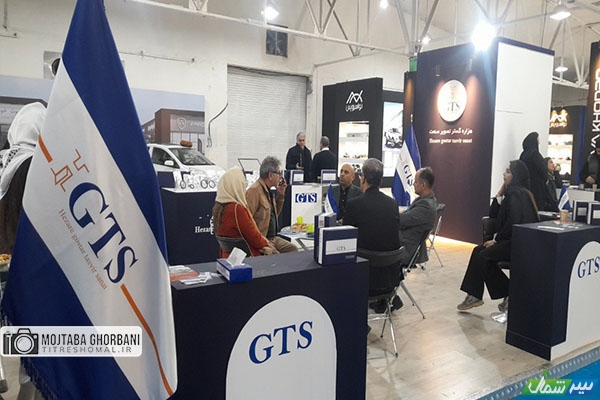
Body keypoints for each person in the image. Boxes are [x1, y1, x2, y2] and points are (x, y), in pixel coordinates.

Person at [0, 102, 46, 400]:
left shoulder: (6, 159)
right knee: (31, 340)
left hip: (5, 261)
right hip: (25, 265)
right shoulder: (34, 165)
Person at [457, 160, 539, 312]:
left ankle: (510, 293)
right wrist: (500, 193)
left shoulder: (517, 195)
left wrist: (496, 241)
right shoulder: (513, 193)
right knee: (477, 250)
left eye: (508, 171)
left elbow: (513, 223)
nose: (504, 174)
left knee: (483, 256)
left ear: (515, 175)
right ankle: (474, 294)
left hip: (518, 244)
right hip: (512, 241)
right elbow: (493, 213)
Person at [344, 158, 402, 313]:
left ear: (362, 178)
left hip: (362, 277)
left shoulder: (354, 205)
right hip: (389, 279)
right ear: (381, 180)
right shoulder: (392, 204)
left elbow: (345, 240)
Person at [212, 166, 276, 257]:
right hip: (247, 257)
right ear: (237, 186)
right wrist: (267, 245)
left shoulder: (219, 208)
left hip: (228, 257)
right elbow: (253, 237)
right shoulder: (237, 209)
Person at [246, 156, 297, 253]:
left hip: (273, 238)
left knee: (293, 249)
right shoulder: (254, 191)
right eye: (279, 173)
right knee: (276, 255)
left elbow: (274, 214)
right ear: (270, 175)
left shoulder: (268, 191)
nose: (280, 177)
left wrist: (280, 195)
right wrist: (261, 242)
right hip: (262, 239)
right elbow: (247, 221)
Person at [398, 167, 438, 265]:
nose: (413, 184)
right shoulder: (422, 200)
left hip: (405, 248)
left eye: (415, 182)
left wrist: (390, 214)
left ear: (423, 185)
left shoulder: (425, 205)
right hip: (403, 242)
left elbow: (401, 221)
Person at [519, 131, 550, 210]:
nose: (539, 142)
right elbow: (542, 169)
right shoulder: (535, 154)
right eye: (538, 140)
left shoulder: (523, 155)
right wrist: (546, 178)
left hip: (525, 186)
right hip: (537, 187)